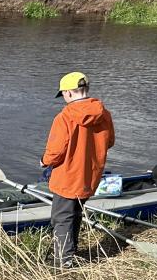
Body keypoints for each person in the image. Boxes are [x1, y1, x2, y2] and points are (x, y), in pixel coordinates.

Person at [41, 71, 115, 268]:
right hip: (89, 176)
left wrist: (43, 161)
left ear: (69, 93)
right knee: (75, 214)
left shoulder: (64, 117)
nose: (63, 98)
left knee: (62, 218)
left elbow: (55, 152)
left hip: (67, 177)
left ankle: (62, 262)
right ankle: (70, 253)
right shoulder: (103, 114)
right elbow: (110, 142)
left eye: (63, 94)